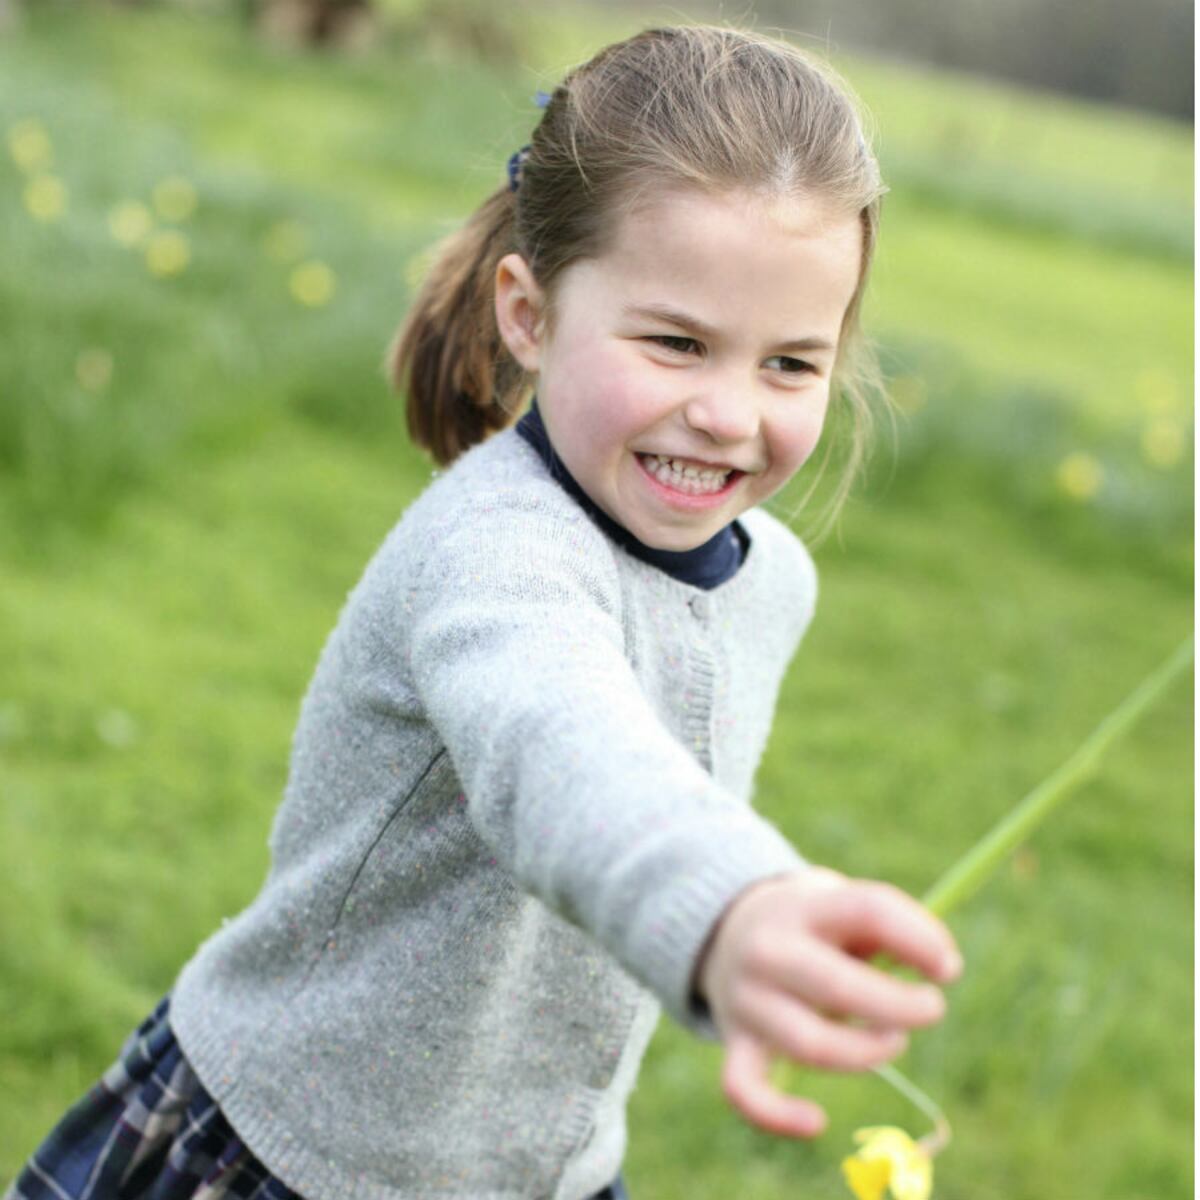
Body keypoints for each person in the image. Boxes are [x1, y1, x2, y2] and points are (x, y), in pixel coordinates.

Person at [5, 24, 963, 1200]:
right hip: (293, 1158)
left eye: (790, 364)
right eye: (676, 342)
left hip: (538, 1176)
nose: (727, 413)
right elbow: (561, 752)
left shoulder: (773, 581)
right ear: (529, 312)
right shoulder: (492, 551)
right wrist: (726, 912)